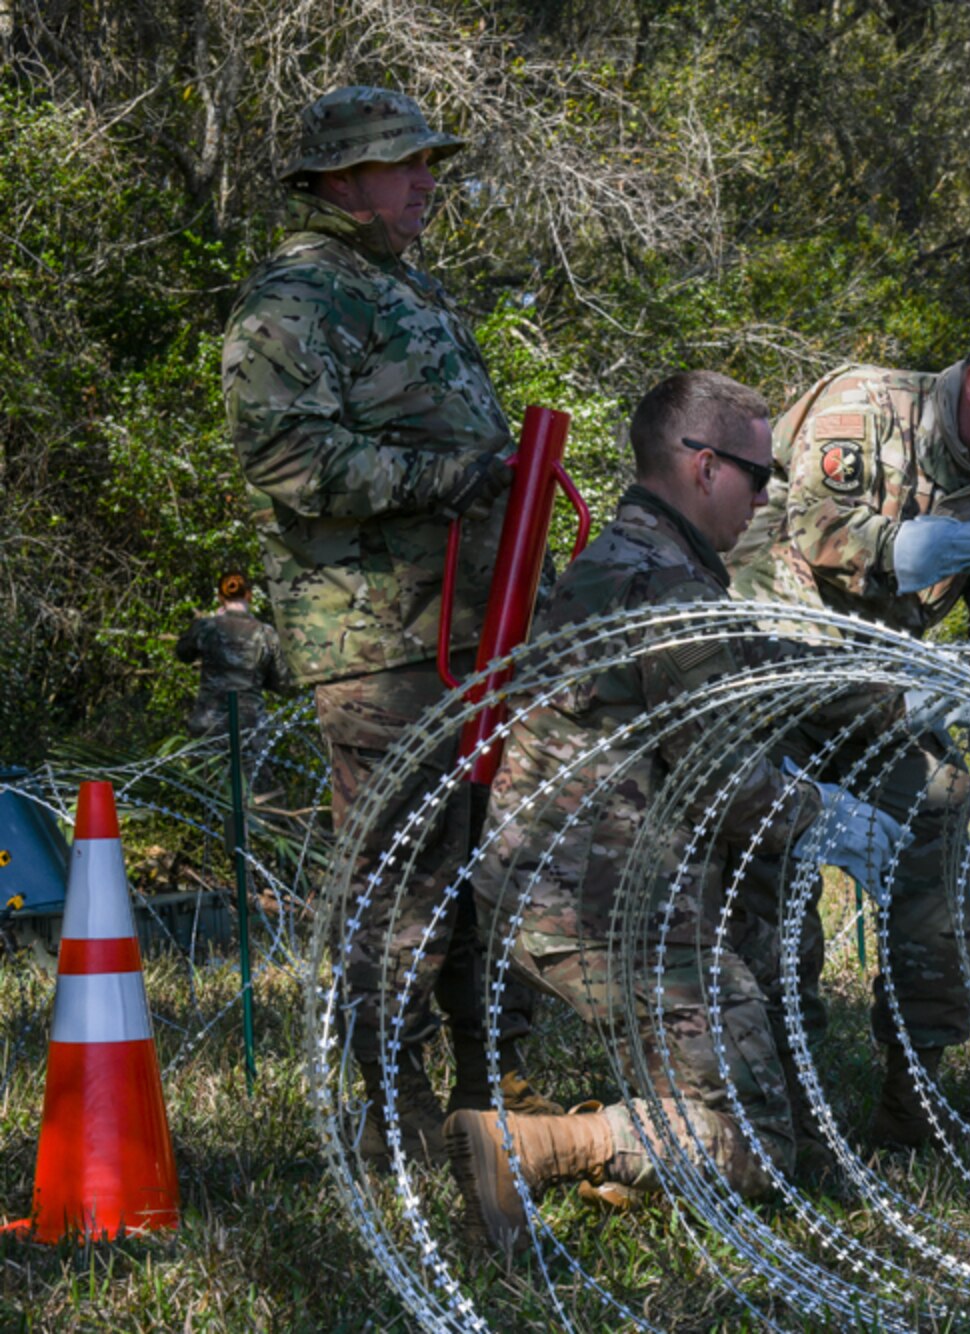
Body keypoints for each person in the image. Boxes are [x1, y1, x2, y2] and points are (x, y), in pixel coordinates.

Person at [444, 372, 903, 1251]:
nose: (769, 496)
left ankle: (686, 1116)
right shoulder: (668, 593)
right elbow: (730, 792)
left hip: (573, 886)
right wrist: (829, 816)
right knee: (758, 1150)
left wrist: (901, 690)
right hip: (606, 909)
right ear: (703, 467)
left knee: (766, 1061)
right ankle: (537, 1145)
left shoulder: (638, 562)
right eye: (759, 476)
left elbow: (758, 660)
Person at [221, 86, 555, 1165]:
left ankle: (484, 1090)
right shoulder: (300, 296)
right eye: (402, 163)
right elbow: (283, 454)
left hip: (466, 627)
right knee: (404, 884)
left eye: (426, 164)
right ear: (340, 179)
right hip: (376, 645)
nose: (424, 184)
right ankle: (394, 1121)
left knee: (485, 869)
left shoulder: (405, 286)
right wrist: (447, 475)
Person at [727, 308, 970, 1148]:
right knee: (774, 850)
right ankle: (783, 1091)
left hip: (874, 688)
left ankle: (916, 1084)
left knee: (940, 808)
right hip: (766, 664)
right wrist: (954, 542)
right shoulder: (866, 406)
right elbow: (818, 532)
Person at [174, 571, 290, 737]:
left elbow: (183, 653)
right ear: (249, 595)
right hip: (250, 724)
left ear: (220, 597)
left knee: (208, 763)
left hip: (209, 723)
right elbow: (282, 682)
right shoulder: (266, 633)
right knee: (249, 763)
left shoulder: (206, 627)